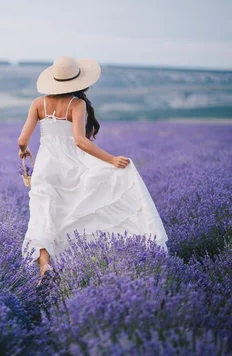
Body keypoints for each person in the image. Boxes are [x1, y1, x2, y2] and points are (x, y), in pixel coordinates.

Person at [18, 56, 169, 286]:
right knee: (78, 209)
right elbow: (80, 141)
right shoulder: (76, 105)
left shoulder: (38, 103)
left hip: (46, 167)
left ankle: (45, 268)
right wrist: (111, 159)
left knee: (42, 216)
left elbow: (21, 140)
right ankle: (86, 261)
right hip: (71, 165)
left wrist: (24, 151)